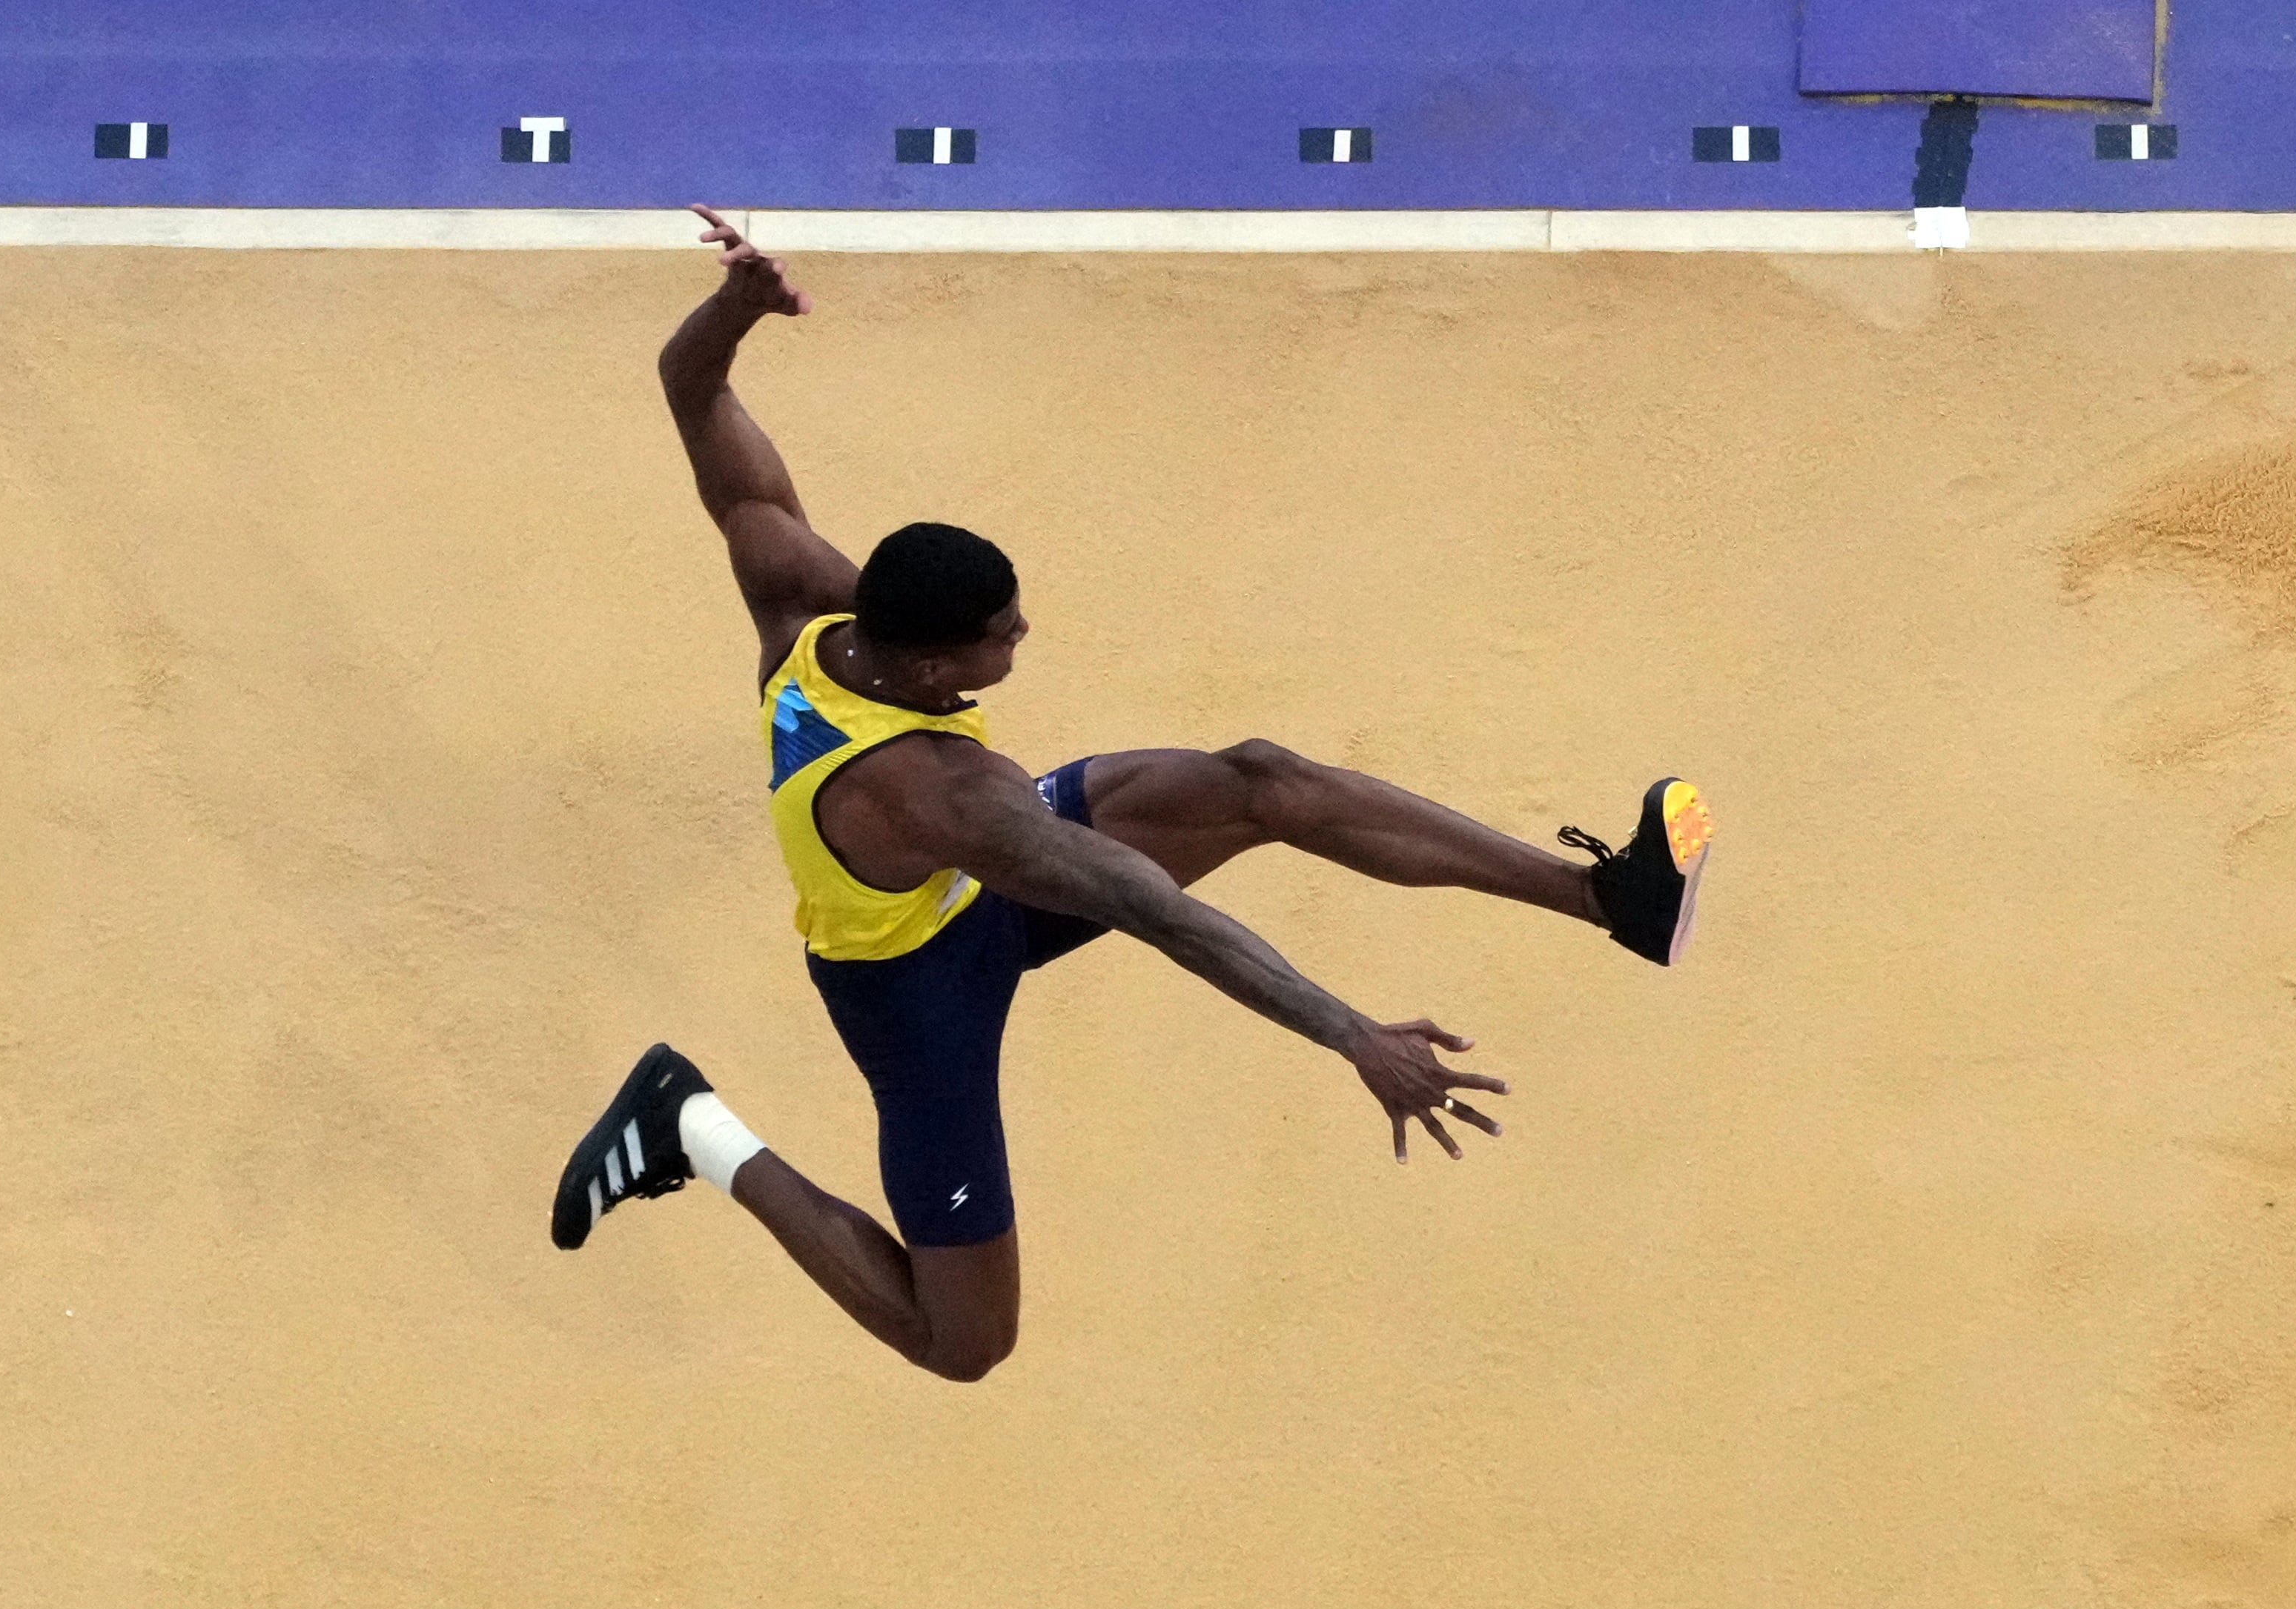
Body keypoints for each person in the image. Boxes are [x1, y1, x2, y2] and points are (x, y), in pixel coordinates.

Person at [549, 206, 1713, 1383]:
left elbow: (687, 389)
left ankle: (1609, 899)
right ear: (932, 667)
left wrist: (734, 307)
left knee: (1261, 779)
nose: (1022, 639)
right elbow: (1159, 912)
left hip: (963, 882)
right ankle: (689, 1126)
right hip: (913, 987)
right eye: (1001, 638)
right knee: (964, 1342)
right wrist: (1354, 1036)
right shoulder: (948, 795)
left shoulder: (805, 589)